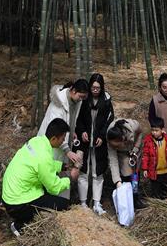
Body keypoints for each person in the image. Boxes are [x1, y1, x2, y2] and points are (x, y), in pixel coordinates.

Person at [1, 118, 73, 235]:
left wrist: (63, 167)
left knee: (46, 192)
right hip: (17, 205)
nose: (63, 141)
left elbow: (43, 166)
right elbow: (54, 187)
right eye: (63, 138)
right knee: (63, 204)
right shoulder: (43, 157)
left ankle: (24, 217)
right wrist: (70, 178)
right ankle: (19, 225)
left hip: (10, 194)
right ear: (54, 138)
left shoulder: (36, 141)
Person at [38, 79, 89, 192]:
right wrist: (67, 150)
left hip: (62, 139)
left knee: (59, 169)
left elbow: (71, 119)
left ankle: (59, 199)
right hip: (51, 142)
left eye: (84, 97)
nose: (81, 99)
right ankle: (48, 198)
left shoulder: (77, 101)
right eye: (80, 96)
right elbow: (55, 131)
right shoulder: (58, 105)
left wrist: (72, 131)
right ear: (73, 91)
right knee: (48, 170)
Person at [75, 73, 114, 215]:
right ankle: (83, 203)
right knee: (83, 171)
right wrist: (82, 131)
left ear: (102, 87)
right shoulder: (83, 99)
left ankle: (97, 203)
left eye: (98, 88)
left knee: (98, 173)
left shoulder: (107, 101)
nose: (95, 90)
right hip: (84, 142)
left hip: (99, 143)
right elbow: (77, 118)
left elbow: (109, 120)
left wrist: (102, 136)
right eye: (93, 87)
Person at [107, 117, 144, 206]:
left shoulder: (134, 126)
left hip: (134, 149)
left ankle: (135, 198)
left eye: (116, 146)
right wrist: (117, 181)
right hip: (122, 153)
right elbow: (113, 161)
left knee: (135, 174)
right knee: (126, 174)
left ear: (123, 139)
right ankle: (126, 199)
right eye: (113, 146)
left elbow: (140, 133)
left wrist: (136, 148)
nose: (114, 147)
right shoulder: (110, 137)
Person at [140, 116, 167, 199]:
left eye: (156, 130)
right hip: (155, 172)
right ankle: (157, 203)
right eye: (152, 130)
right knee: (156, 190)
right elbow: (145, 155)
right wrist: (145, 169)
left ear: (162, 130)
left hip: (166, 171)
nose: (154, 132)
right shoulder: (148, 141)